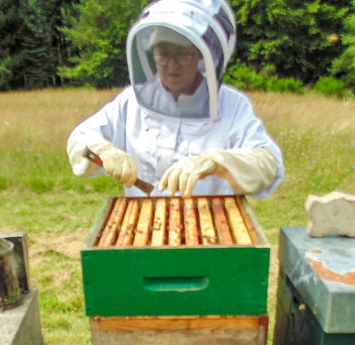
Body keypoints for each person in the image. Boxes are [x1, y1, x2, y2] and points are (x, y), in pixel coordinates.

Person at [66, 0, 283, 199]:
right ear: (152, 54)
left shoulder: (232, 105)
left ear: (200, 55)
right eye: (163, 53)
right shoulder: (131, 102)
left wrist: (217, 162)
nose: (171, 65)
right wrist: (102, 153)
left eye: (182, 53)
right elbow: (79, 145)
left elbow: (267, 165)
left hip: (209, 230)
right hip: (144, 230)